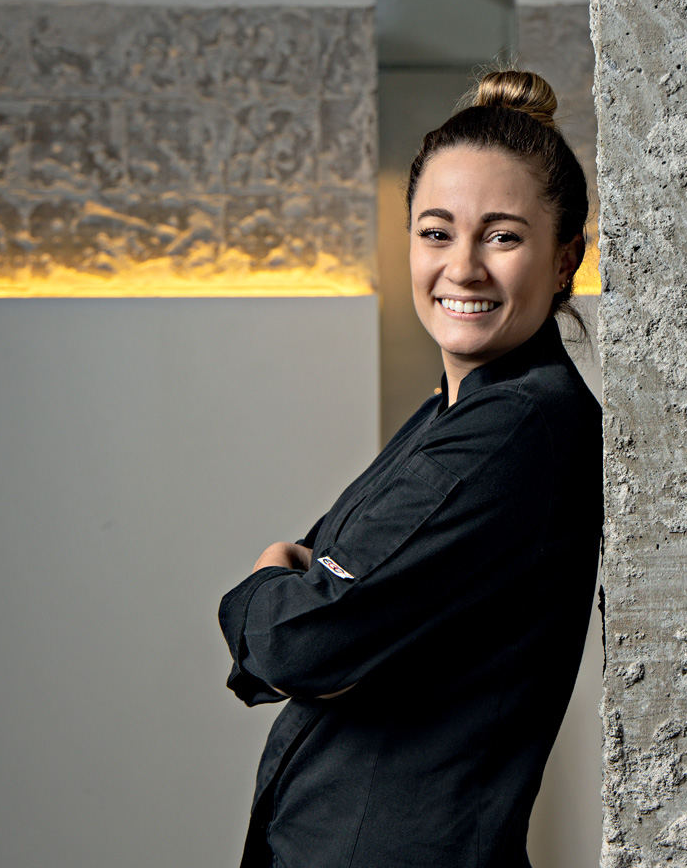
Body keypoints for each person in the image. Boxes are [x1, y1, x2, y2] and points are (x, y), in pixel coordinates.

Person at [219, 70, 603, 868]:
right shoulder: (450, 413)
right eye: (436, 232)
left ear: (566, 258)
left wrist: (267, 579)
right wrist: (323, 616)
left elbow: (300, 642)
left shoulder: (515, 428)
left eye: (502, 236)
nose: (461, 268)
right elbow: (327, 624)